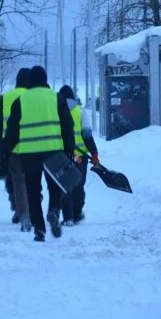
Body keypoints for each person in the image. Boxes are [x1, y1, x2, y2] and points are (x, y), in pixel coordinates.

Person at [0, 66, 75, 242]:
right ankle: (54, 211)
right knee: (55, 186)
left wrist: (4, 152)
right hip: (54, 151)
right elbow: (67, 126)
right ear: (45, 79)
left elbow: (12, 131)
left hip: (29, 153)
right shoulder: (57, 98)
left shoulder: (20, 100)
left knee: (33, 191)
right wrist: (69, 149)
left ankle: (39, 230)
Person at [0, 68, 31, 230]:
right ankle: (30, 212)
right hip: (34, 147)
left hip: (12, 148)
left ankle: (22, 213)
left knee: (17, 181)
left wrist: (1, 146)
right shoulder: (33, 98)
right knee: (33, 182)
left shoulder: (6, 98)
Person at [57, 85, 99, 226]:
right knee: (78, 185)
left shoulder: (56, 111)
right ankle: (76, 213)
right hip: (80, 157)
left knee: (65, 186)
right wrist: (94, 153)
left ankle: (68, 218)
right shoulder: (80, 111)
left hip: (62, 155)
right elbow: (87, 135)